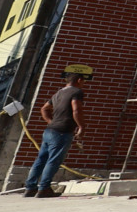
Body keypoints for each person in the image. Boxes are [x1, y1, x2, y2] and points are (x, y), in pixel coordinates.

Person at [23, 67, 89, 199]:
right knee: (53, 160)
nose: (83, 84)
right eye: (83, 81)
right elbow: (76, 110)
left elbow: (44, 108)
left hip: (50, 130)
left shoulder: (58, 93)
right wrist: (81, 126)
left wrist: (50, 121)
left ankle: (30, 188)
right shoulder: (77, 92)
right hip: (62, 131)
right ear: (79, 80)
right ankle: (44, 188)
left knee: (41, 159)